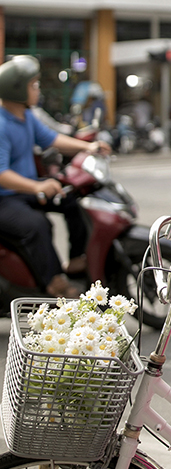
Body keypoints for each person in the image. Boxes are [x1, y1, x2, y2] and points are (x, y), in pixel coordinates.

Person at [0, 55, 110, 296]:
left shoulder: (26, 116)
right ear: (18, 89)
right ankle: (53, 282)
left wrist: (87, 147)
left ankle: (76, 259)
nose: (38, 90)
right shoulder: (2, 124)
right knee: (37, 224)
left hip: (25, 191)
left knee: (74, 198)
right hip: (5, 198)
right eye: (34, 85)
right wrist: (36, 187)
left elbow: (52, 139)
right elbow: (1, 174)